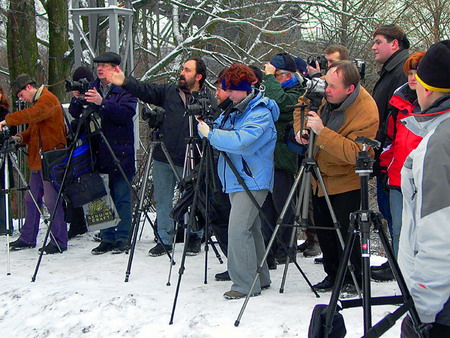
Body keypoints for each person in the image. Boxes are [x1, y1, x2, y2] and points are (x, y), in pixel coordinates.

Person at [106, 57, 217, 257]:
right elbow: (145, 90)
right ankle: (165, 239)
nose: (182, 73)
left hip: (192, 157)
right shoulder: (169, 92)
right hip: (164, 156)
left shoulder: (208, 98)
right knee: (163, 199)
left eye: (187, 70)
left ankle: (194, 235)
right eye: (182, 69)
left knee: (193, 198)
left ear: (199, 76)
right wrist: (125, 81)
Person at [294, 61, 379, 296]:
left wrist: (322, 132)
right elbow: (301, 106)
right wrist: (301, 128)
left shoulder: (366, 110)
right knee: (325, 231)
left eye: (332, 86)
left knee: (346, 232)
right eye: (325, 84)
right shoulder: (324, 94)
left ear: (349, 89)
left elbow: (356, 153)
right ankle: (333, 275)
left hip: (346, 180)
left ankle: (354, 279)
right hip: (318, 175)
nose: (326, 90)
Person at [197, 63, 278, 299]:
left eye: (230, 89)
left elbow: (243, 142)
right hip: (237, 178)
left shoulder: (259, 112)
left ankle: (244, 284)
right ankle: (259, 278)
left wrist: (211, 134)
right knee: (250, 228)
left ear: (244, 88)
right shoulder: (236, 108)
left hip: (252, 179)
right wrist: (210, 126)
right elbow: (228, 134)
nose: (227, 94)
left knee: (238, 230)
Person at [398, 40, 450, 337]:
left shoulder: (440, 141)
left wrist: (422, 308)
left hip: (442, 307)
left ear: (428, 89)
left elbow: (439, 231)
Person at [69, 52, 137, 254]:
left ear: (116, 68)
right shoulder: (93, 86)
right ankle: (106, 237)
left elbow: (126, 114)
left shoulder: (126, 88)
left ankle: (123, 237)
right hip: (96, 150)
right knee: (100, 196)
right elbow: (76, 114)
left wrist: (103, 103)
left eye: (105, 65)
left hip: (119, 150)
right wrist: (78, 99)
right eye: (98, 65)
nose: (100, 69)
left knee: (122, 195)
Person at [371, 52, 425, 282]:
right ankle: (398, 270)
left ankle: (418, 275)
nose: (412, 78)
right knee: (398, 228)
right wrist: (383, 167)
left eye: (418, 73)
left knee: (424, 232)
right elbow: (390, 140)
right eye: (410, 73)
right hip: (397, 175)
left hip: (424, 177)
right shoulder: (398, 102)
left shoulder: (435, 105)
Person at [0, 74, 68, 254]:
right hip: (38, 160)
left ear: (29, 88)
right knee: (31, 200)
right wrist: (19, 138)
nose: (21, 99)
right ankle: (28, 237)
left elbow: (32, 115)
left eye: (21, 95)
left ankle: (58, 241)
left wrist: (7, 120)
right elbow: (34, 129)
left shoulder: (47, 100)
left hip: (50, 160)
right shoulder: (40, 103)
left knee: (52, 201)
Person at [371, 24, 410, 280]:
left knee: (398, 217)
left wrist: (382, 145)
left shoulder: (403, 71)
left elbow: (396, 117)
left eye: (378, 41)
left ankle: (400, 266)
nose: (373, 47)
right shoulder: (390, 70)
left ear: (394, 44)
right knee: (391, 214)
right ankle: (395, 261)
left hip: (394, 155)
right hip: (386, 153)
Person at [260, 53, 304, 266]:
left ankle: (286, 248)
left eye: (275, 75)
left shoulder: (296, 93)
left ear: (286, 76)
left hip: (283, 159)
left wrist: (268, 79)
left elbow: (281, 104)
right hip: (268, 157)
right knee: (267, 207)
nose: (271, 79)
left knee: (283, 206)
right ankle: (270, 247)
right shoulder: (275, 89)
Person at [0, 84, 15, 236]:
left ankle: (5, 225)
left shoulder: (4, 113)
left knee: (3, 190)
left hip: (3, 155)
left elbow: (11, 131)